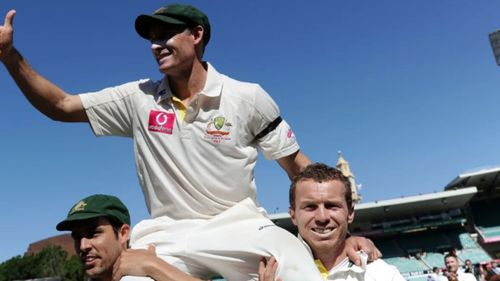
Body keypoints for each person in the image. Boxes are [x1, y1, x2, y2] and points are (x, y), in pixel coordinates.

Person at [0, 4, 379, 280]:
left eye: (165, 35)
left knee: (300, 273)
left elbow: (299, 167)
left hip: (240, 226)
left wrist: (342, 234)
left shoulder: (247, 97)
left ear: (197, 35)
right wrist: (9, 55)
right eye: (151, 38)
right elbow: (61, 106)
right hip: (165, 233)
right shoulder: (138, 98)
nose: (155, 44)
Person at [259, 163, 404, 281]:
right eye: (310, 207)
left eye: (331, 206)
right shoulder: (267, 271)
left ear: (350, 213)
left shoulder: (383, 275)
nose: (322, 217)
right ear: (293, 216)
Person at [56, 194, 201, 281]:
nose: (83, 246)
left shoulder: (167, 266)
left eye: (93, 234)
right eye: (77, 237)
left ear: (123, 233)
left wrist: (154, 267)